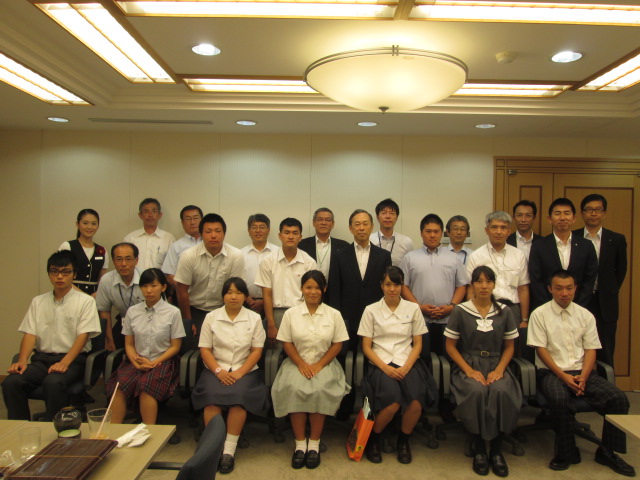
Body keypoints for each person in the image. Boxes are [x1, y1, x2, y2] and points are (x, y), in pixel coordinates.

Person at [527, 270, 634, 476]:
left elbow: (591, 349)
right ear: (550, 289)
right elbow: (541, 351)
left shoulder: (585, 315)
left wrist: (584, 376)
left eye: (569, 288)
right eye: (559, 288)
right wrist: (563, 376)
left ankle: (607, 451)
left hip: (582, 372)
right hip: (552, 372)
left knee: (618, 398)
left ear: (575, 289)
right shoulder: (539, 314)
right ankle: (566, 452)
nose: (564, 293)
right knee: (559, 398)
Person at [2, 250, 101, 421]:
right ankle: (20, 426)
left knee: (53, 382)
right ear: (49, 274)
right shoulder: (38, 301)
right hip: (42, 360)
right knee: (12, 382)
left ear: (74, 274)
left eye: (66, 272)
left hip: (73, 361)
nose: (59, 276)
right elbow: (30, 334)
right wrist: (22, 360)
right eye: (54, 271)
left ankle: (53, 428)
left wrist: (64, 363)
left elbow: (83, 336)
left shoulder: (86, 302)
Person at [444, 266, 522, 477]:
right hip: (468, 363)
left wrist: (499, 370)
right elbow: (450, 346)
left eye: (488, 281)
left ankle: (496, 450)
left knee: (501, 391)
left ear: (494, 285)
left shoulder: (505, 312)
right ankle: (479, 448)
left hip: (497, 364)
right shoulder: (461, 311)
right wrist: (469, 370)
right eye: (479, 281)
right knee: (476, 391)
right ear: (472, 285)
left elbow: (510, 347)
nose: (484, 286)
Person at [358, 266, 437, 465]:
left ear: (402, 286)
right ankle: (374, 438)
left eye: (396, 284)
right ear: (381, 286)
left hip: (407, 362)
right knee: (392, 402)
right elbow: (366, 347)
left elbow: (417, 344)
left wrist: (407, 367)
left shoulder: (412, 309)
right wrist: (385, 368)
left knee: (415, 402)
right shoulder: (371, 310)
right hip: (380, 363)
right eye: (388, 284)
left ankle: (403, 440)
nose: (392, 289)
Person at [271, 270, 350, 470]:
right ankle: (300, 445)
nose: (313, 292)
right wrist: (301, 364)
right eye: (308, 287)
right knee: (294, 388)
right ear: (301, 289)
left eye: (317, 288)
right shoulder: (291, 314)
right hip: (296, 362)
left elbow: (338, 344)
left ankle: (314, 444)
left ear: (324, 290)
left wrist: (319, 365)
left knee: (320, 389)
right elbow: (286, 343)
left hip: (325, 363)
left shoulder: (334, 314)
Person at [191, 277, 269, 474]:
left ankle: (229, 451)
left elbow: (256, 351)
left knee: (238, 399)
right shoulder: (211, 317)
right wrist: (218, 371)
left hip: (245, 370)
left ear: (245, 296)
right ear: (223, 296)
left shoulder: (254, 318)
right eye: (229, 292)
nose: (233, 297)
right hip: (215, 369)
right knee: (211, 400)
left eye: (238, 293)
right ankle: (213, 449)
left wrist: (240, 372)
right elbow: (205, 349)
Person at [107, 268, 185, 425]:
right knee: (120, 385)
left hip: (163, 361)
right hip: (137, 360)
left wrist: (153, 362)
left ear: (163, 287)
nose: (149, 290)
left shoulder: (173, 312)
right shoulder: (132, 312)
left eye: (154, 286)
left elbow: (175, 347)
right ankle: (114, 432)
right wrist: (136, 362)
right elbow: (129, 344)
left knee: (146, 385)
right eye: (145, 286)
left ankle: (149, 431)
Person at [400, 213, 469, 356]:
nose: (432, 235)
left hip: (448, 319)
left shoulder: (453, 258)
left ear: (442, 233)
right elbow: (403, 286)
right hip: (419, 318)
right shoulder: (410, 258)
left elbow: (462, 285)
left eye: (436, 231)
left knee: (447, 357)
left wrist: (452, 306)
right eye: (428, 231)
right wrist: (418, 307)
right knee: (421, 358)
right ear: (421, 233)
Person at [175, 213, 245, 348]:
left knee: (226, 345)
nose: (213, 235)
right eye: (208, 231)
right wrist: (188, 320)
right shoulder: (188, 256)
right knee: (196, 346)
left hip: (224, 308)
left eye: (217, 231)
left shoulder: (235, 256)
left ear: (224, 234)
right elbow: (182, 290)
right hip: (195, 309)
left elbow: (235, 290)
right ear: (201, 234)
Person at [573, 193, 627, 367]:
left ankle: (606, 383)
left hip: (605, 302)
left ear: (604, 213)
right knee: (576, 348)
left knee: (606, 350)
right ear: (582, 213)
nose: (593, 214)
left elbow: (621, 271)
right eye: (589, 210)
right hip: (579, 300)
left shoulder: (616, 239)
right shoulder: (573, 237)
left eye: (598, 210)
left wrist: (609, 290)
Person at [254, 218, 317, 345]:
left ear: (300, 237)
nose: (291, 236)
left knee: (301, 350)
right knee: (276, 351)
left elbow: (313, 294)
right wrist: (271, 325)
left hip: (302, 313)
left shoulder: (309, 262)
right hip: (276, 313)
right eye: (287, 232)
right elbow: (267, 295)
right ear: (280, 235)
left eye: (295, 233)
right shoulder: (268, 261)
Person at [528, 198, 598, 312]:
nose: (562, 217)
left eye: (567, 213)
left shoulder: (586, 246)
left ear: (574, 218)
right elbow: (536, 279)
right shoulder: (539, 246)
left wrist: (576, 306)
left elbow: (589, 279)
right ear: (549, 219)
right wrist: (549, 307)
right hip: (546, 309)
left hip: (578, 309)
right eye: (557, 213)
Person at [467, 211, 530, 329]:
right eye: (494, 227)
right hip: (484, 309)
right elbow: (471, 289)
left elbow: (523, 288)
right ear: (486, 230)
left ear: (509, 231)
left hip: (512, 309)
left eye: (503, 228)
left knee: (513, 341)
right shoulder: (476, 256)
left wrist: (524, 319)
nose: (499, 232)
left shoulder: (518, 255)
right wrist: (471, 315)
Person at [95, 242, 144, 351]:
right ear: (113, 261)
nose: (123, 264)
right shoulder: (107, 280)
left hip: (147, 323)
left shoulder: (146, 278)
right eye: (119, 259)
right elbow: (104, 311)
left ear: (136, 260)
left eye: (128, 259)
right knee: (111, 351)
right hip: (124, 321)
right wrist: (109, 340)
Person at [58, 208, 108, 295]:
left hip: (94, 297)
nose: (89, 227)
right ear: (77, 224)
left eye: (93, 224)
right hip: (70, 294)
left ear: (98, 226)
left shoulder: (102, 250)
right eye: (85, 223)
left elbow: (102, 280)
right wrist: (83, 296)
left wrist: (95, 295)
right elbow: (61, 275)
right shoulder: (67, 246)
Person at [298, 208, 349, 287]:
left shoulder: (344, 246)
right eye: (320, 219)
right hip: (310, 291)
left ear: (333, 224)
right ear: (313, 223)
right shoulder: (301, 245)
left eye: (328, 220)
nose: (323, 223)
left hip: (335, 291)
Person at [240, 214, 278, 316]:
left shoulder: (278, 253)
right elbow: (238, 279)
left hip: (273, 303)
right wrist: (247, 299)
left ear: (268, 230)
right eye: (254, 227)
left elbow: (281, 280)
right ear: (249, 231)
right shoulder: (240, 254)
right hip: (246, 303)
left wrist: (264, 301)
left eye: (262, 227)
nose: (258, 231)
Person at [124, 198, 176, 270]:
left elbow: (172, 266)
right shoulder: (130, 238)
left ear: (160, 215)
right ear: (140, 215)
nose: (150, 215)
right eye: (146, 211)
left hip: (159, 277)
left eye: (154, 211)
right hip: (136, 277)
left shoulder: (169, 238)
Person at [162, 205, 203, 288]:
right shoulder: (176, 246)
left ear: (202, 220)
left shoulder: (211, 243)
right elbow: (169, 274)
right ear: (182, 223)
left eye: (195, 218)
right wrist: (184, 291)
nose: (192, 222)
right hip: (183, 293)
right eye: (188, 219)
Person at [370, 198, 414, 266]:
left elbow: (409, 267)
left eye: (392, 213)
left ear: (396, 217)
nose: (388, 216)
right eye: (384, 213)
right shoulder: (369, 240)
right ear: (377, 217)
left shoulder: (406, 242)